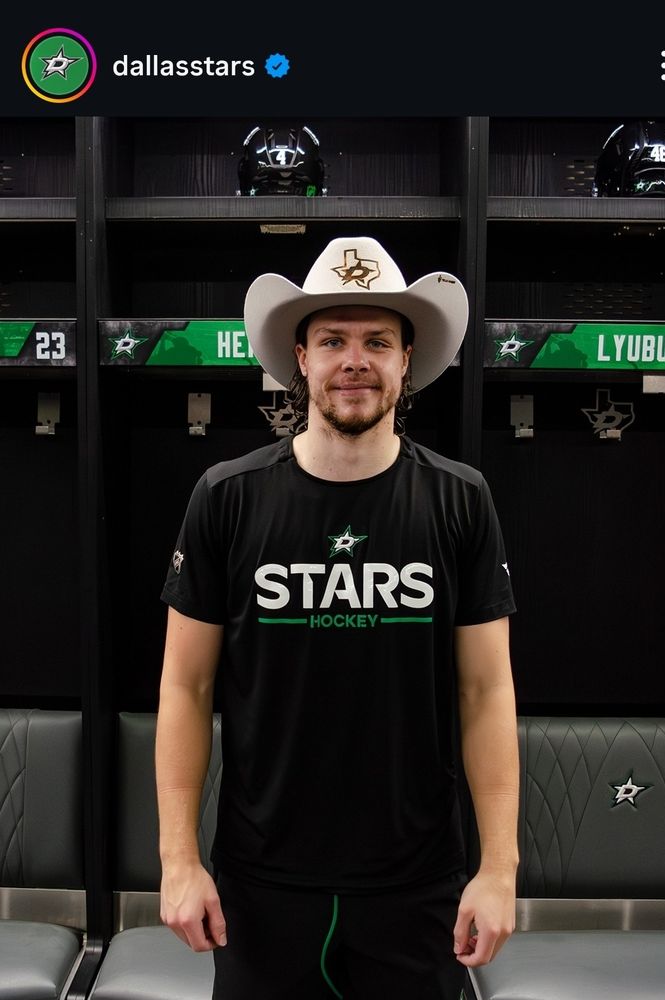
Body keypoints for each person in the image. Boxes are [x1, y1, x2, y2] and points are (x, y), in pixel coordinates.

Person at [156, 236, 520, 1000]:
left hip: (415, 882)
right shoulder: (226, 497)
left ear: (406, 360)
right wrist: (179, 862)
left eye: (376, 342)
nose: (354, 359)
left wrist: (497, 868)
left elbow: (485, 694)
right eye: (332, 341)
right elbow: (184, 691)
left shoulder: (460, 499)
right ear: (300, 357)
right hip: (262, 882)